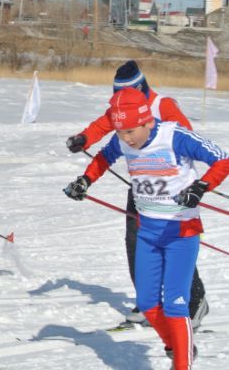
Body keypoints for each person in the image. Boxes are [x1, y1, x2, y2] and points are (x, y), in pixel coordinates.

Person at [64, 87, 229, 369]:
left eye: (130, 132)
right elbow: (104, 157)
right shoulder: (124, 140)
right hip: (148, 233)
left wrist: (200, 187)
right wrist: (85, 181)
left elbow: (222, 159)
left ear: (147, 121)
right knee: (149, 303)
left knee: (176, 305)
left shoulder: (175, 136)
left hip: (181, 232)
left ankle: (182, 359)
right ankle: (175, 345)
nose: (125, 139)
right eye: (119, 132)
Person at [65, 60, 209, 331]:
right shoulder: (124, 107)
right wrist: (83, 139)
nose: (120, 101)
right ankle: (149, 302)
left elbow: (188, 138)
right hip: (142, 187)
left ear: (140, 88)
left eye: (125, 94)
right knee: (136, 244)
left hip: (170, 190)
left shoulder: (163, 105)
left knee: (174, 245)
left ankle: (194, 302)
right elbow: (103, 125)